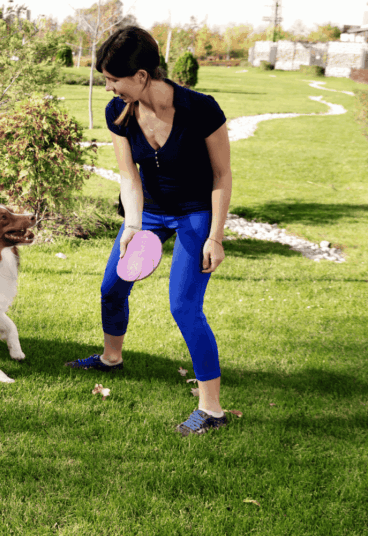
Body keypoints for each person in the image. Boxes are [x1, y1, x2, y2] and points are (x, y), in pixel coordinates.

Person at [64, 27, 233, 437]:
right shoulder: (119, 112)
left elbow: (222, 175)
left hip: (194, 213)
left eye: (113, 79)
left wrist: (215, 236)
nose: (109, 87)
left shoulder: (200, 109)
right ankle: (111, 358)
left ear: (141, 76)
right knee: (112, 287)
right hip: (151, 213)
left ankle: (212, 410)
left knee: (184, 306)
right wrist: (134, 224)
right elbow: (129, 177)